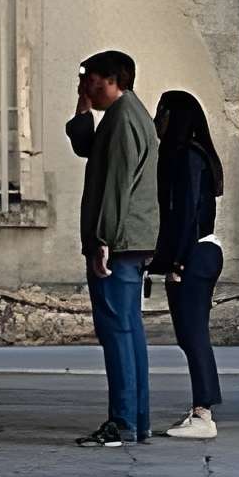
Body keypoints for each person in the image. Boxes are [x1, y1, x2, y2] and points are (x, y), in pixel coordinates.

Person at [65, 49, 159, 449]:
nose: (85, 86)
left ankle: (122, 422)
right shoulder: (127, 115)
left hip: (118, 242)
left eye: (90, 80)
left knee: (116, 330)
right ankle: (136, 420)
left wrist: (102, 239)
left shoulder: (122, 121)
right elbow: (88, 148)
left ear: (110, 80)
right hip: (130, 240)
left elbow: (116, 186)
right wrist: (83, 110)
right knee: (128, 329)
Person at [150, 88, 225, 439]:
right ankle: (200, 410)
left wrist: (177, 261)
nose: (157, 121)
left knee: (194, 335)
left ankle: (203, 413)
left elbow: (187, 215)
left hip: (194, 254)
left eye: (162, 113)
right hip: (197, 253)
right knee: (189, 335)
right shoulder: (189, 155)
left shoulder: (188, 157)